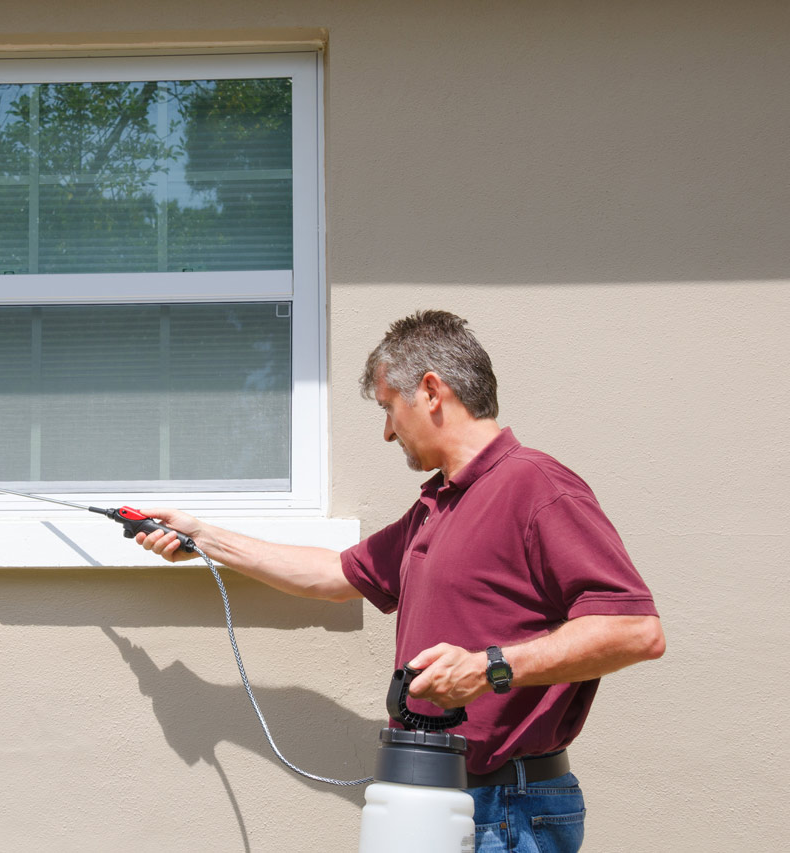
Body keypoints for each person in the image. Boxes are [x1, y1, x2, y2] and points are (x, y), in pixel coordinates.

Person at [135, 309, 664, 853]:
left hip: (508, 812)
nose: (387, 431)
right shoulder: (437, 507)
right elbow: (332, 575)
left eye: (389, 408)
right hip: (433, 803)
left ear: (431, 391)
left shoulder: (535, 485)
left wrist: (490, 667)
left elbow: (634, 629)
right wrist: (205, 537)